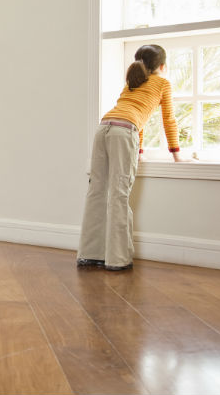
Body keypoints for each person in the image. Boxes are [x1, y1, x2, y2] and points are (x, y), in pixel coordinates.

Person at [77, 44, 192, 271]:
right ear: (162, 66)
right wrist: (176, 154)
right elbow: (168, 119)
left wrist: (139, 152)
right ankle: (117, 259)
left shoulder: (132, 83)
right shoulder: (162, 83)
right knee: (119, 193)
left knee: (96, 190)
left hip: (103, 127)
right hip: (123, 131)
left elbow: (134, 113)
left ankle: (89, 254)